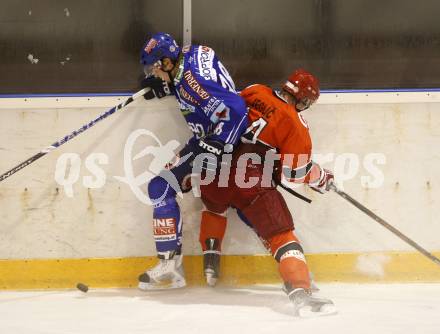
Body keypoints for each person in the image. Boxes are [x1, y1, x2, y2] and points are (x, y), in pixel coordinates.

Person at [198, 69, 337, 316]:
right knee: (282, 235)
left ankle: (210, 259)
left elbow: (226, 113)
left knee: (213, 206)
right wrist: (320, 178)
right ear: (304, 100)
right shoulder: (295, 122)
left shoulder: (255, 90)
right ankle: (301, 293)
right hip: (251, 180)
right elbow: (294, 173)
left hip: (214, 168)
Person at [137, 32, 248, 290]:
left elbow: (236, 111)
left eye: (154, 67)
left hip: (216, 144)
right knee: (163, 186)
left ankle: (170, 268)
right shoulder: (187, 55)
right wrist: (166, 86)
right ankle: (170, 266)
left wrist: (221, 145)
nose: (152, 73)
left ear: (166, 62)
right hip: (209, 140)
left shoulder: (191, 81)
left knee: (160, 187)